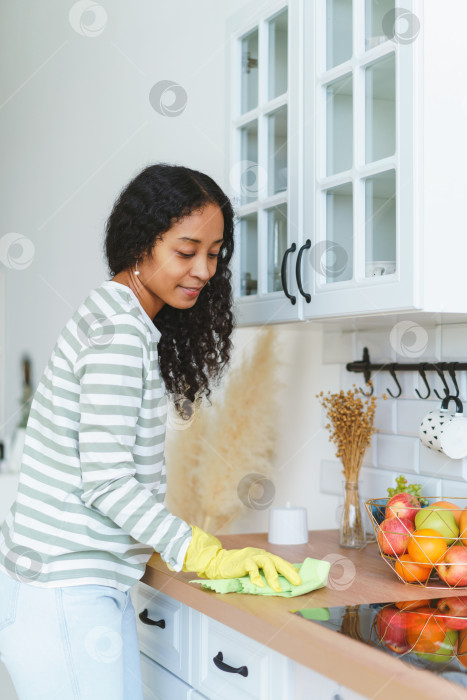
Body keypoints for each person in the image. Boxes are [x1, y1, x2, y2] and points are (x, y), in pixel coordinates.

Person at [0, 163, 302, 699]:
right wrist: (199, 550)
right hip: (66, 595)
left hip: (71, 588)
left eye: (214, 253)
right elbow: (107, 482)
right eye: (187, 252)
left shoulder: (123, 316)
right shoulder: (119, 330)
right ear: (141, 243)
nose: (204, 269)